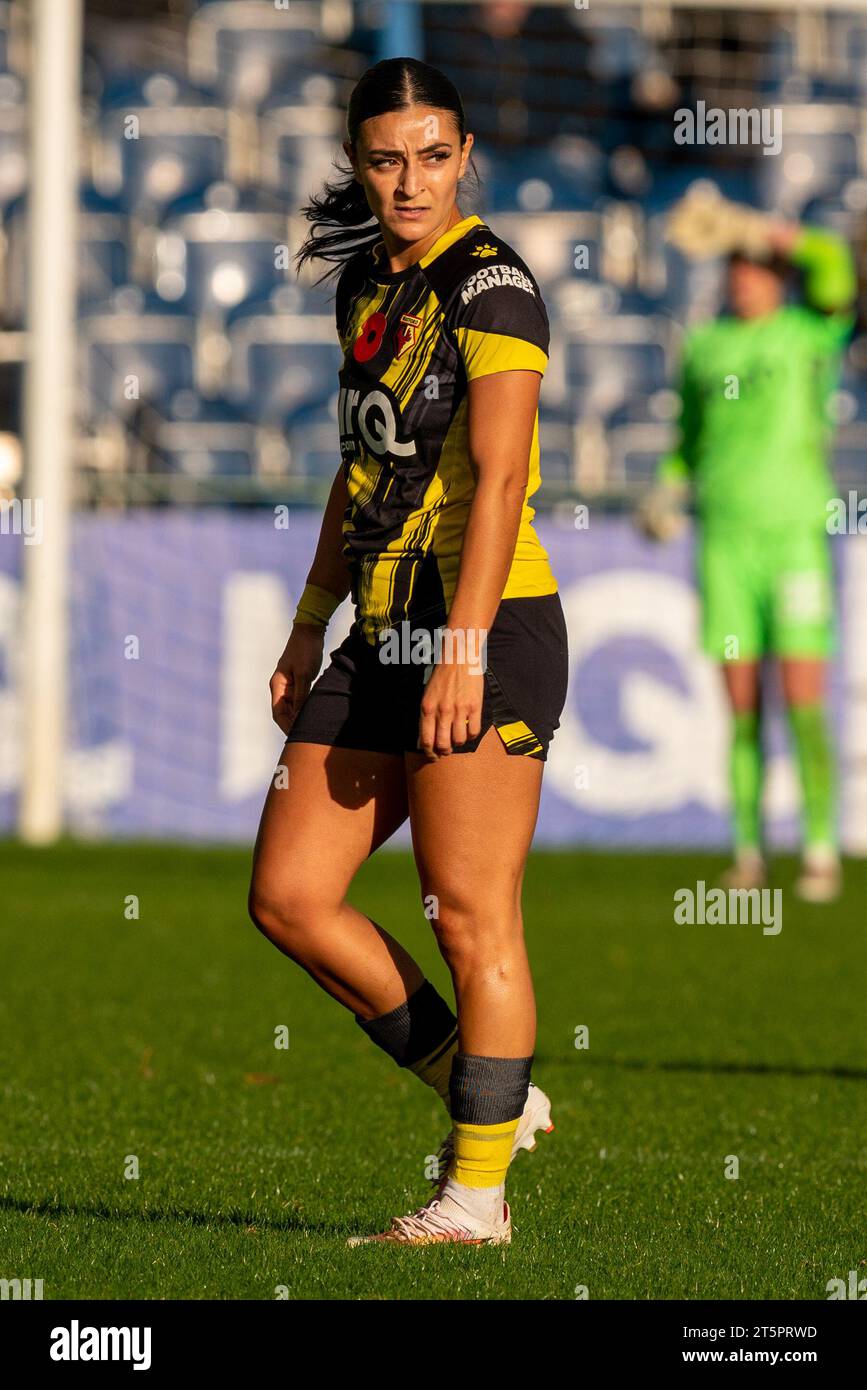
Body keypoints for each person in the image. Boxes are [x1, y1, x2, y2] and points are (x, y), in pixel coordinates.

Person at [247, 57, 569, 1246]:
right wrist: (306, 620)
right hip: (380, 628)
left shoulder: (492, 286)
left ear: (467, 154)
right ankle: (490, 1092)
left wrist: (465, 649)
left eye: (434, 156)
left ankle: (473, 1201)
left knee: (471, 913)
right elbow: (360, 472)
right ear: (359, 162)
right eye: (387, 159)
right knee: (287, 896)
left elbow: (497, 485)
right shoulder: (369, 286)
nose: (410, 179)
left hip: (482, 625)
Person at [640, 220, 857, 901]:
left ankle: (819, 846)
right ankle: (747, 852)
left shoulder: (806, 334)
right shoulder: (704, 346)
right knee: (739, 706)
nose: (743, 277)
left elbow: (834, 268)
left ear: (776, 276)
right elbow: (689, 441)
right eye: (735, 266)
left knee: (801, 700)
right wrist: (669, 487)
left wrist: (759, 226)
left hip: (791, 541)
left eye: (756, 266)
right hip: (725, 544)